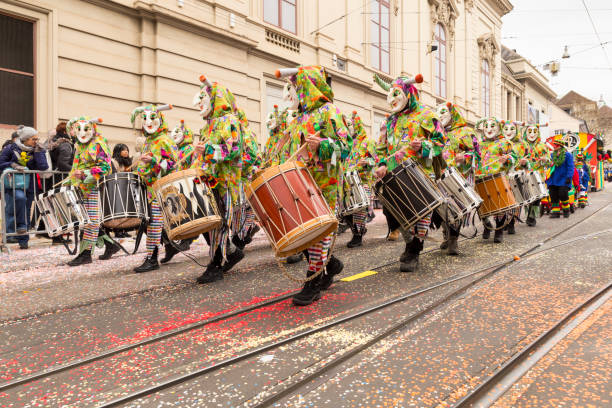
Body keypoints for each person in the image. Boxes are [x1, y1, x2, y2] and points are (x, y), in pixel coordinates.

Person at [275, 65, 350, 305]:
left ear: (307, 86)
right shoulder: (297, 119)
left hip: (323, 183)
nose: (293, 92)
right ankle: (331, 264)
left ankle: (313, 281)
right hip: (299, 183)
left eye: (297, 86)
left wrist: (323, 146)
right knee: (305, 232)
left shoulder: (330, 111)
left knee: (317, 233)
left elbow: (346, 147)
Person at [191, 75, 247, 283]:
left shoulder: (230, 121)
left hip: (225, 183)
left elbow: (233, 150)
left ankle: (216, 265)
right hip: (209, 182)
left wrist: (206, 149)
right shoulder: (208, 126)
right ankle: (230, 252)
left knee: (219, 224)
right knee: (209, 223)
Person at [132, 104, 178, 272]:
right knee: (149, 222)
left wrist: (154, 162)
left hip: (161, 189)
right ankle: (169, 246)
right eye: (145, 119)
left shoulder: (165, 140)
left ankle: (152, 259)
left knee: (153, 222)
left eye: (152, 118)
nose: (148, 122)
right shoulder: (149, 142)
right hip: (150, 189)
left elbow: (173, 164)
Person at [63, 117, 112, 264]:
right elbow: (76, 167)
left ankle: (85, 254)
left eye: (86, 129)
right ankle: (107, 245)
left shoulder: (98, 144)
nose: (82, 133)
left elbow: (106, 168)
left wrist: (86, 174)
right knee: (85, 221)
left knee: (92, 221)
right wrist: (70, 180)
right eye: (79, 129)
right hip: (81, 188)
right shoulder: (79, 146)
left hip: (94, 187)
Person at [437, 102, 479, 254]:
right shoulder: (437, 132)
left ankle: (454, 239)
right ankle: (446, 234)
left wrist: (465, 157)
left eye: (444, 112)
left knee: (457, 208)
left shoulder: (466, 131)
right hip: (440, 176)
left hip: (460, 176)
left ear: (453, 113)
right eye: (438, 113)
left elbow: (476, 153)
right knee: (442, 207)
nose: (440, 116)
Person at [0, 126, 49, 249]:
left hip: (30, 185)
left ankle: (24, 239)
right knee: (17, 202)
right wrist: (12, 164)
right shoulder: (11, 148)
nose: (36, 141)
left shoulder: (37, 149)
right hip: (12, 184)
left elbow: (43, 167)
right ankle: (12, 234)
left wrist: (39, 153)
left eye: (37, 138)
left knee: (26, 210)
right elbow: (1, 162)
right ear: (25, 139)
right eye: (34, 139)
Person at [159, 120, 195, 264]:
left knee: (188, 217)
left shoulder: (189, 149)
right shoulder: (175, 149)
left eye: (178, 132)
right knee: (168, 220)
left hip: (185, 187)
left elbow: (193, 167)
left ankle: (187, 240)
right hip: (173, 187)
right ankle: (171, 246)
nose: (174, 135)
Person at [474, 117, 515, 243]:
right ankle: (487, 226)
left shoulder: (505, 142)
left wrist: (507, 159)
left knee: (500, 206)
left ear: (498, 128)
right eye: (486, 126)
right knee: (482, 205)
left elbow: (514, 157)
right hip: (481, 178)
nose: (489, 129)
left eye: (492, 126)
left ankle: (499, 230)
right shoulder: (480, 144)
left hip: (498, 178)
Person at [343, 111, 377, 248]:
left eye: (349, 125)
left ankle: (358, 235)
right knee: (345, 210)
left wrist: (367, 162)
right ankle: (357, 230)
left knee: (359, 210)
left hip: (362, 181)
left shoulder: (368, 142)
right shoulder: (346, 143)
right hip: (347, 181)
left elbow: (375, 160)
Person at [501, 120, 529, 235]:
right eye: (505, 129)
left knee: (515, 200)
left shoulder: (523, 145)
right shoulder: (499, 143)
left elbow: (530, 160)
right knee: (503, 200)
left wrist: (525, 163)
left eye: (511, 129)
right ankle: (502, 221)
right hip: (502, 175)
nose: (508, 132)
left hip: (516, 175)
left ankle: (512, 222)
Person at [523, 124, 551, 226]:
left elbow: (549, 162)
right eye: (529, 131)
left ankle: (532, 216)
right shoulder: (522, 145)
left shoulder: (543, 146)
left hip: (539, 175)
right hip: (525, 174)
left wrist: (545, 160)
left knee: (537, 197)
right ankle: (528, 214)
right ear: (526, 132)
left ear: (538, 133)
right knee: (528, 197)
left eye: (534, 131)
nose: (532, 134)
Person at [546, 138, 574, 218]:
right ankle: (556, 212)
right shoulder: (552, 155)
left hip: (563, 179)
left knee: (563, 194)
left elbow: (570, 166)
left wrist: (569, 177)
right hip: (553, 179)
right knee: (553, 195)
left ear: (560, 146)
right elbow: (549, 166)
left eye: (556, 145)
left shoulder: (567, 155)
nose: (554, 146)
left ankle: (566, 210)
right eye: (554, 145)